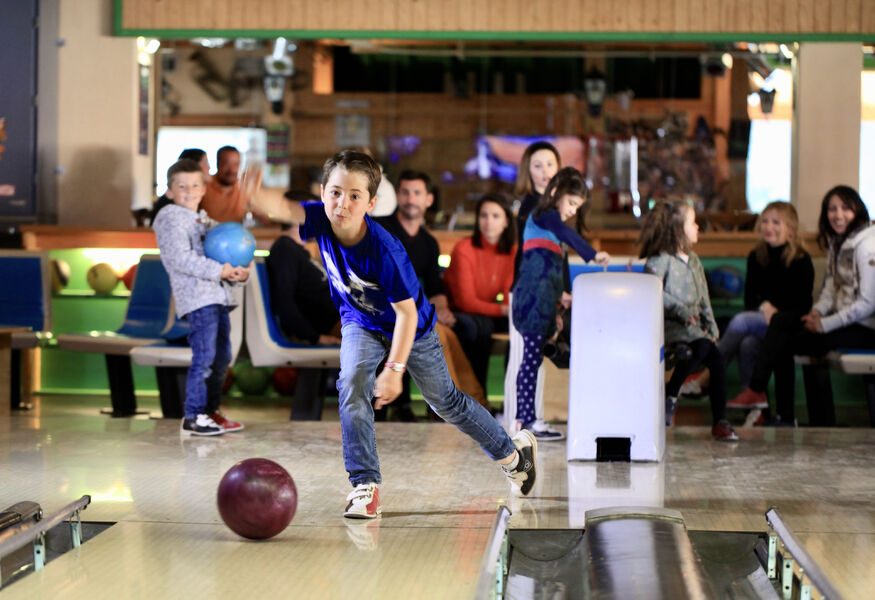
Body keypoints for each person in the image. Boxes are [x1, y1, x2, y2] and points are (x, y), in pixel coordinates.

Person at [249, 149, 537, 518]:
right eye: (335, 192)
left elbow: (407, 313)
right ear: (323, 193)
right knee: (351, 383)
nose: (342, 203)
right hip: (361, 322)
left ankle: (513, 455)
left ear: (370, 203)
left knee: (445, 402)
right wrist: (254, 194)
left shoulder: (385, 250)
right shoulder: (320, 218)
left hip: (412, 329)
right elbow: (283, 208)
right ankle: (364, 485)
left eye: (354, 196)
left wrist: (395, 369)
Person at [728, 186, 875, 425]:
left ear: (858, 210)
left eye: (845, 208)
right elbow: (830, 286)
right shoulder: (839, 243)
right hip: (846, 323)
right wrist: (817, 312)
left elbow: (868, 304)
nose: (838, 215)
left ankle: (763, 397)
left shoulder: (867, 245)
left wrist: (824, 324)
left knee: (782, 333)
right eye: (832, 209)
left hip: (866, 329)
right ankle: (784, 415)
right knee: (782, 330)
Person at [152, 159, 250, 436]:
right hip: (197, 298)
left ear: (204, 188)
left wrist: (241, 272)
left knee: (222, 357)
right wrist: (222, 269)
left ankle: (210, 411)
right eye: (181, 186)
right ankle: (193, 415)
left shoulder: (203, 219)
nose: (189, 190)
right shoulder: (170, 218)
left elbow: (230, 248)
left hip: (217, 296)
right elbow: (180, 258)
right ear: (170, 191)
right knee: (205, 356)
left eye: (195, 185)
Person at [512, 167, 610, 440]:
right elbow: (563, 240)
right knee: (530, 360)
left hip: (542, 303)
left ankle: (528, 418)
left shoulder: (551, 231)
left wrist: (559, 297)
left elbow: (548, 271)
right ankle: (527, 420)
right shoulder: (544, 216)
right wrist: (592, 254)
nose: (573, 212)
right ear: (555, 193)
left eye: (577, 207)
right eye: (571, 203)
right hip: (531, 303)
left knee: (534, 360)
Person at [376, 170, 478, 420]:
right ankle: (453, 408)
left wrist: (442, 310)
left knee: (453, 331)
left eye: (417, 193)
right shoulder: (381, 230)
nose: (411, 199)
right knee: (438, 334)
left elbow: (434, 288)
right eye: (405, 192)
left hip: (413, 312)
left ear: (428, 200)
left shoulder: (428, 242)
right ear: (398, 195)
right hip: (383, 310)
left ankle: (469, 401)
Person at [638, 200, 738, 441]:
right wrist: (681, 311)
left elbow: (703, 296)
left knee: (716, 358)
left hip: (695, 328)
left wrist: (711, 324)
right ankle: (672, 393)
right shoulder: (660, 261)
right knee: (702, 347)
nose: (697, 228)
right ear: (677, 229)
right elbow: (654, 291)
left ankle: (719, 420)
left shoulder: (693, 260)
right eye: (692, 222)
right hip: (671, 328)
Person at [715, 202, 813, 413]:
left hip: (789, 326)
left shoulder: (801, 260)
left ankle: (711, 371)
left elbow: (803, 305)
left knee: (742, 323)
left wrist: (776, 314)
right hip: (763, 321)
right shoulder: (756, 256)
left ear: (791, 228)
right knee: (747, 344)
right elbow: (750, 299)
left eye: (776, 222)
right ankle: (756, 410)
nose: (769, 227)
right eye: (765, 221)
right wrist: (765, 307)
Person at [504, 141, 563, 438]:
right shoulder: (530, 207)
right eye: (537, 165)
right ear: (528, 170)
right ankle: (518, 423)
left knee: (534, 359)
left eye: (550, 164)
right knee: (522, 359)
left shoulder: (553, 207)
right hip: (527, 291)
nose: (544, 171)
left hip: (544, 292)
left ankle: (530, 420)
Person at [444, 193, 516, 393]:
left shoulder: (512, 251)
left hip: (489, 313)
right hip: (458, 313)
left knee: (521, 330)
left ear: (506, 222)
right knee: (479, 327)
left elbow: (509, 293)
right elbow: (466, 302)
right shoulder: (464, 248)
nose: (488, 222)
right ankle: (476, 396)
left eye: (495, 216)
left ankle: (511, 402)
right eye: (483, 216)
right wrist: (503, 310)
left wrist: (507, 310)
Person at [266, 191, 342, 345]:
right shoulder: (285, 249)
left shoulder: (298, 251)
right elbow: (284, 302)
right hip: (338, 326)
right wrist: (314, 337)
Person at [199, 145, 269, 224]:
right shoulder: (203, 187)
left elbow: (264, 217)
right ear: (217, 163)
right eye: (226, 163)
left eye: (236, 164)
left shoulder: (245, 189)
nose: (231, 170)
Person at [150, 148, 211, 224]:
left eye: (195, 185)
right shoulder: (171, 215)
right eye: (205, 162)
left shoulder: (190, 205)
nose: (209, 167)